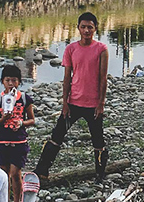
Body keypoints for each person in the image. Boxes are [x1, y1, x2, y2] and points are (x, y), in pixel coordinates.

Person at [32, 12, 110, 183]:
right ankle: (41, 171)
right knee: (57, 136)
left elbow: (103, 78)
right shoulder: (71, 49)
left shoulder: (102, 50)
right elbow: (67, 77)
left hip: (93, 104)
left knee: (98, 140)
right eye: (83, 27)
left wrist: (101, 103)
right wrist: (64, 103)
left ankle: (100, 174)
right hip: (73, 102)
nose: (86, 30)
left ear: (95, 28)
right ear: (78, 28)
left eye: (90, 27)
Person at [0, 65, 36, 202]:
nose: (11, 84)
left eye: (14, 80)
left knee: (16, 173)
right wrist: (3, 119)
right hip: (1, 141)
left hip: (19, 141)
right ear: (2, 81)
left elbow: (32, 120)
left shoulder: (25, 99)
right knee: (3, 174)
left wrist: (22, 123)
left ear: (19, 82)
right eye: (7, 80)